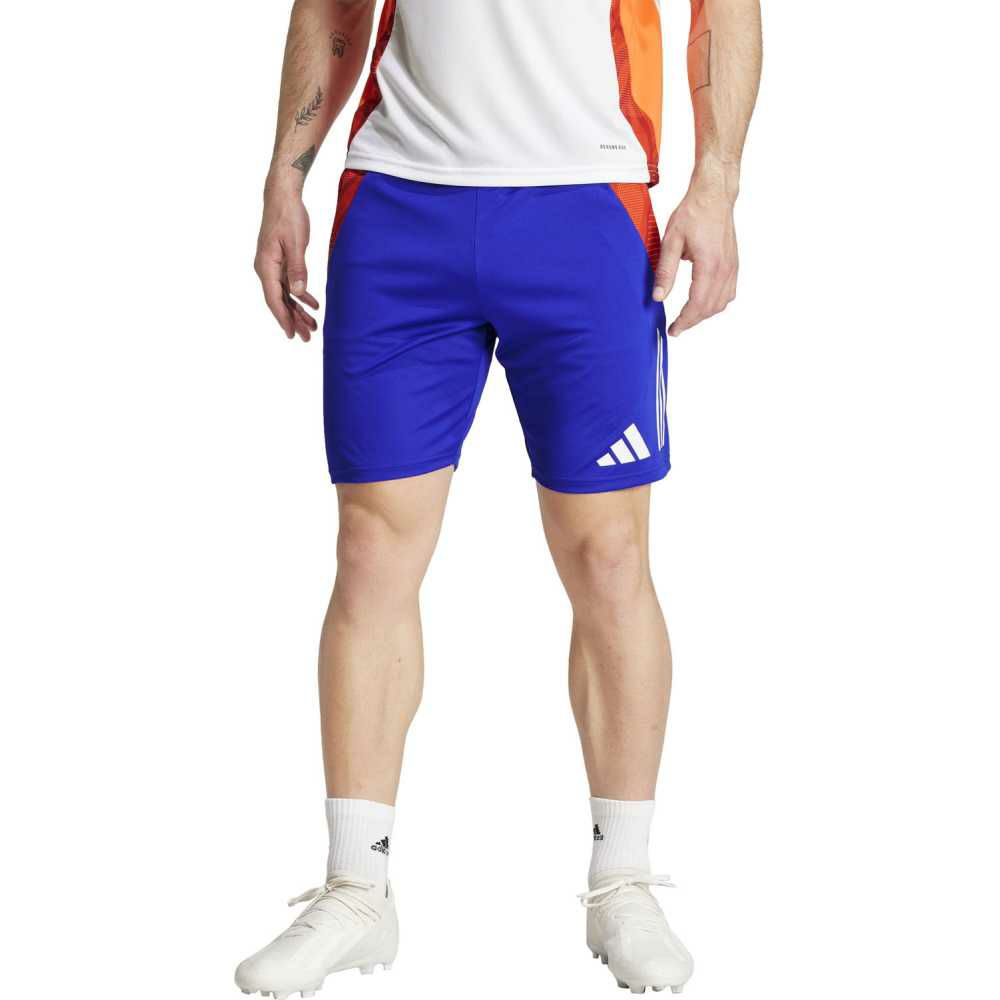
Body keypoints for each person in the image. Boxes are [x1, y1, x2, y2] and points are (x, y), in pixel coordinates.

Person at [238, 0, 761, 995]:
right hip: (401, 198)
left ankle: (622, 881)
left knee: (608, 554)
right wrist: (283, 175)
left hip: (586, 200)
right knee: (370, 550)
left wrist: (718, 182)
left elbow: (724, 9)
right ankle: (356, 889)